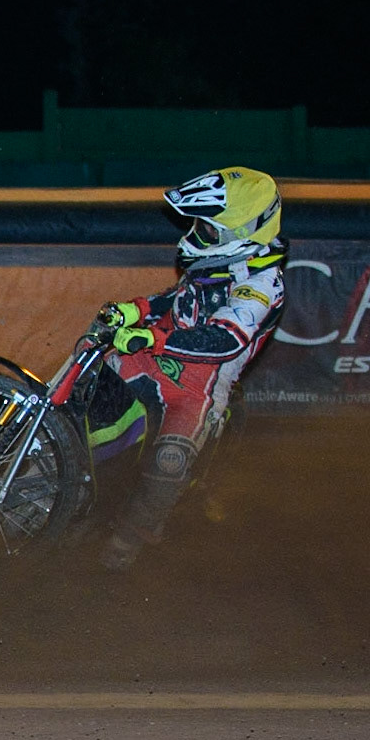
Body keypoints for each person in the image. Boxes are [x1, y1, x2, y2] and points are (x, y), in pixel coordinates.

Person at [87, 166, 286, 570]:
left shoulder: (263, 283)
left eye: (208, 229)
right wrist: (137, 309)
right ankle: (25, 460)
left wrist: (153, 337)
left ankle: (128, 542)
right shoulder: (216, 262)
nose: (198, 234)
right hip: (152, 358)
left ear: (240, 234)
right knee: (89, 376)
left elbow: (224, 340)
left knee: (170, 462)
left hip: (199, 386)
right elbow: (178, 297)